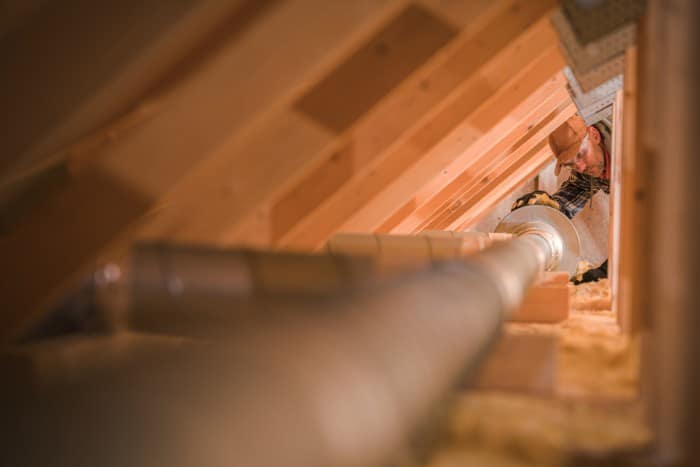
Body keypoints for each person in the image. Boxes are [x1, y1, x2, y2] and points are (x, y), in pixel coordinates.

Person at [511, 115, 611, 284]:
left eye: (580, 154)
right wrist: (544, 209)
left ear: (594, 135)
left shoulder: (635, 153)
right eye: (570, 164)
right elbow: (574, 193)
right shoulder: (592, 164)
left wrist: (610, 271)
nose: (579, 167)